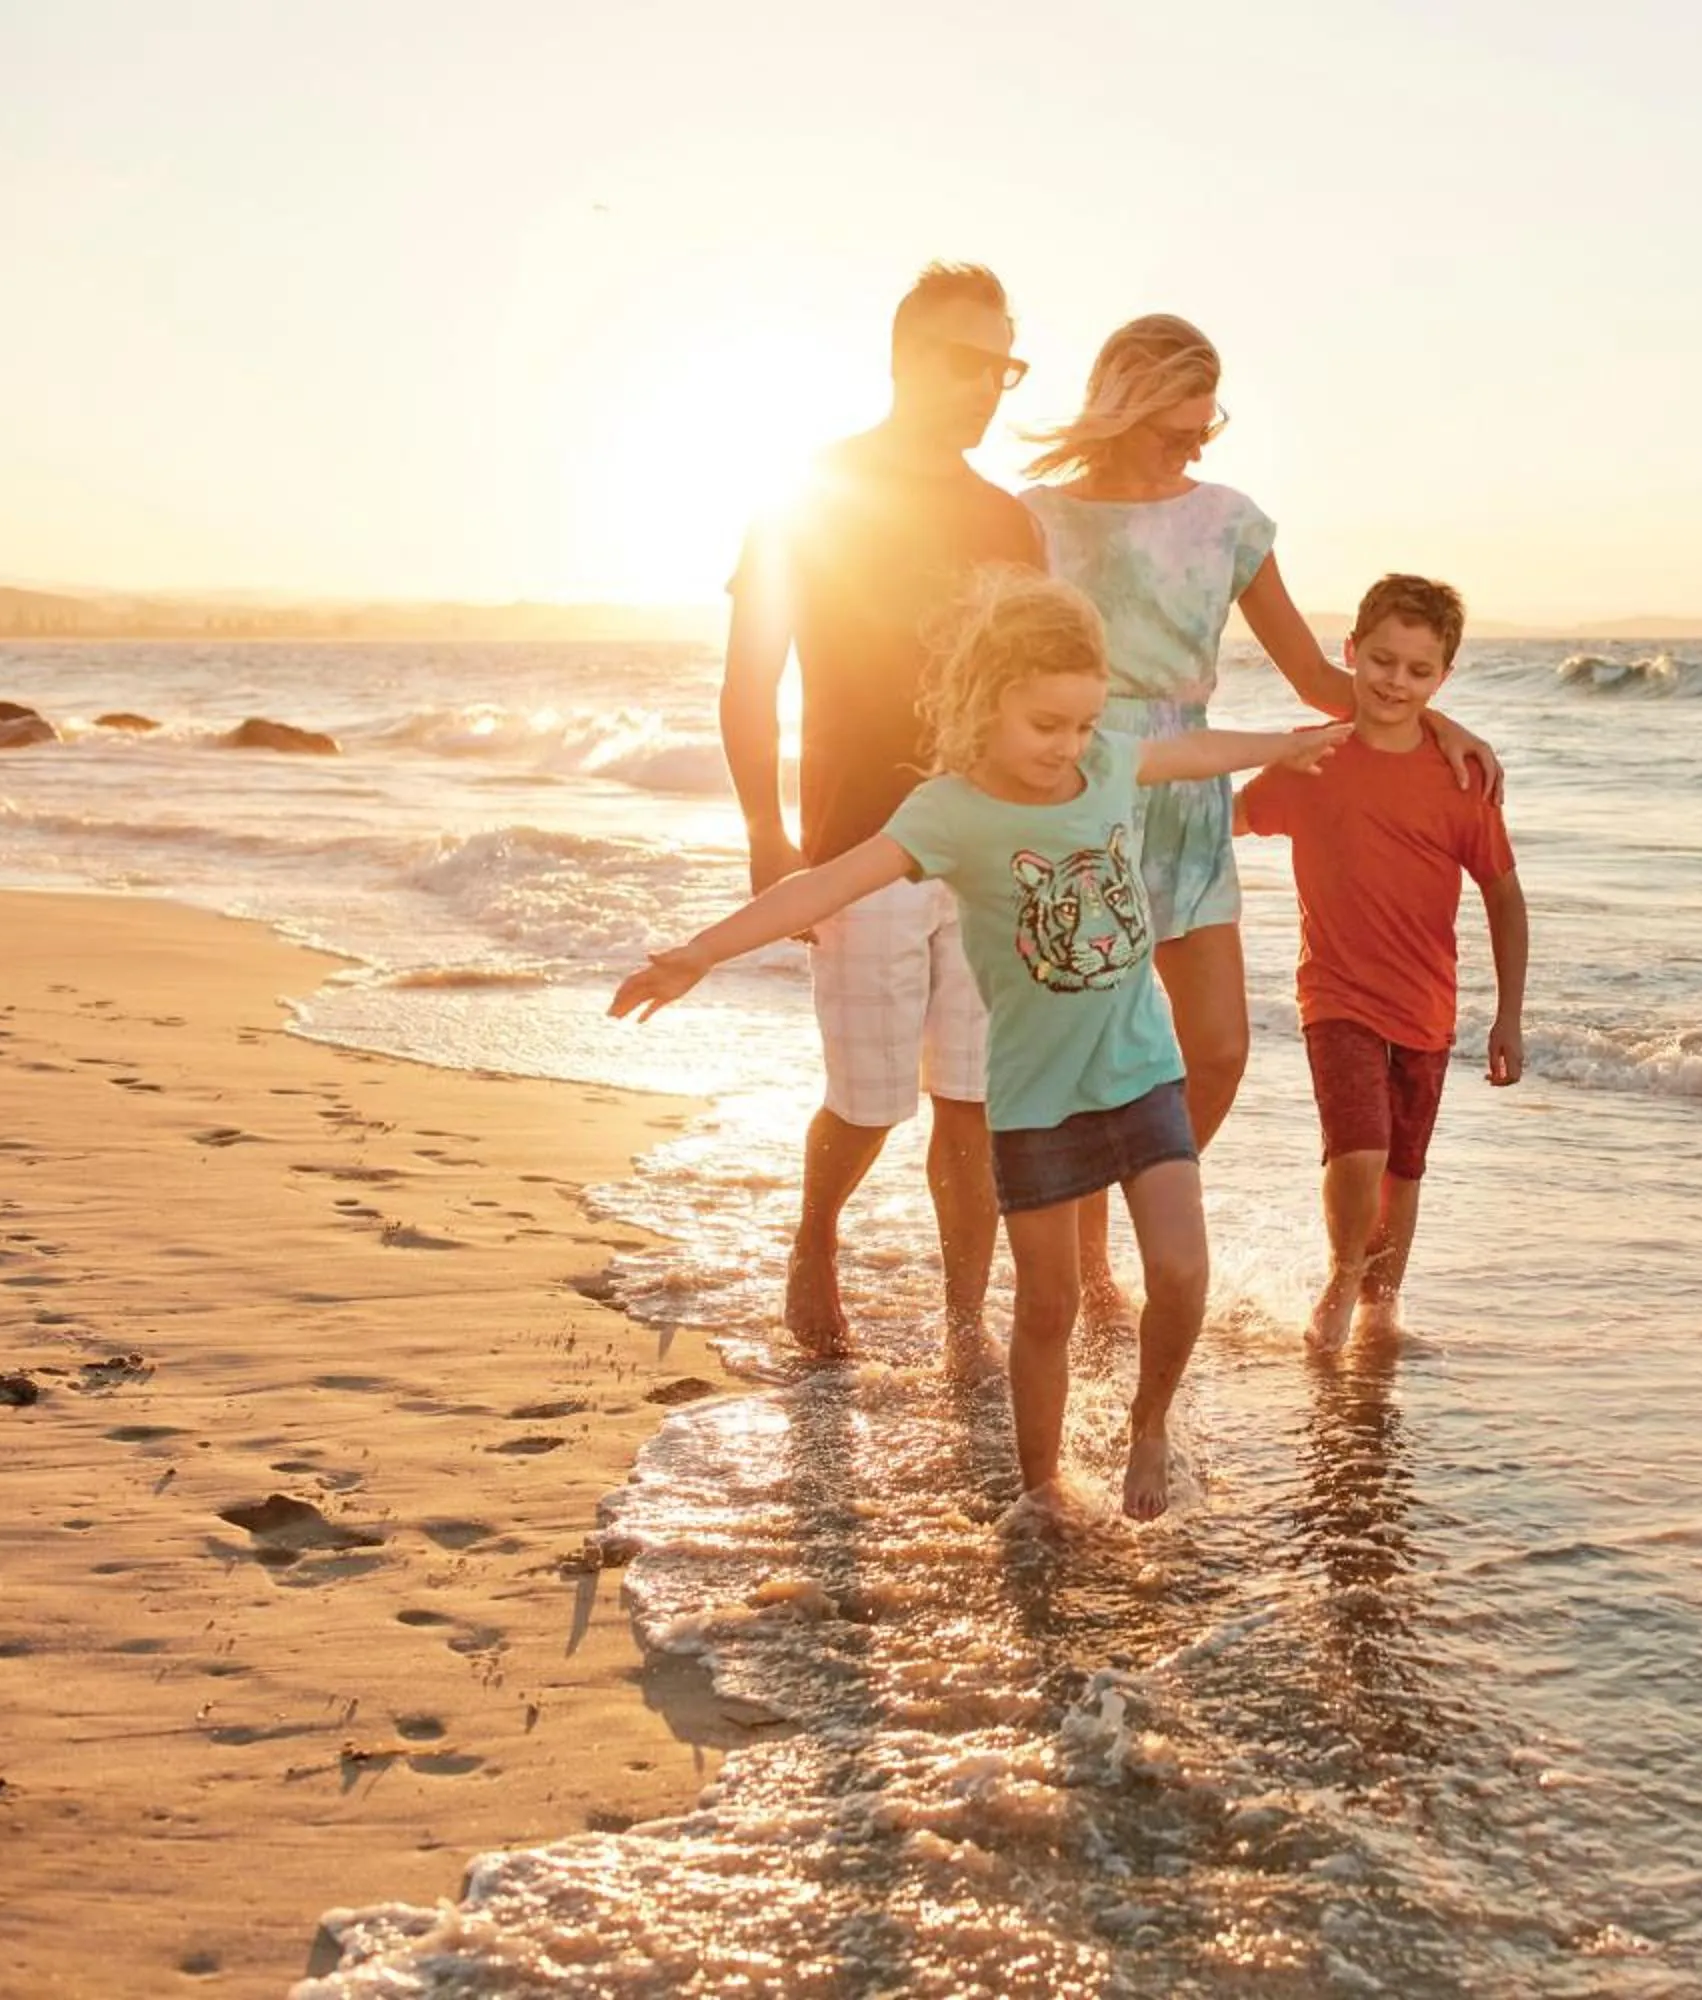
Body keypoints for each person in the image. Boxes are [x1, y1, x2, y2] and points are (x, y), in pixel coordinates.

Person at [617, 570, 1350, 1520]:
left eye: (1084, 723)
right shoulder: (949, 813)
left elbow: (1197, 749)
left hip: (1140, 1069)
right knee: (1048, 1308)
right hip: (1037, 1096)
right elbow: (826, 886)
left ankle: (1149, 1423)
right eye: (1048, 724)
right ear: (985, 701)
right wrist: (700, 953)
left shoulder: (1110, 765)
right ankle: (1042, 1488)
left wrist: (1293, 747)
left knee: (1179, 1270)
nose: (1070, 746)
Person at [1015, 315, 1500, 1318]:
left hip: (1189, 796)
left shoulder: (1228, 521)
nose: (1199, 442)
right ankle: (1095, 1265)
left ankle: (1128, 1187)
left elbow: (1321, 674)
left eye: (1208, 422)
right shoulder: (1040, 522)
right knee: (1088, 1045)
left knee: (1220, 1046)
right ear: (1131, 404)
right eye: (1180, 423)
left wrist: (1434, 715)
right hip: (1082, 786)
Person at [718, 262, 1043, 1358]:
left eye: (1006, 362)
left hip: (992, 849)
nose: (990, 383)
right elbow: (751, 675)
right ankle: (815, 1238)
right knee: (866, 1102)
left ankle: (964, 1320)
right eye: (968, 359)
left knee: (972, 1098)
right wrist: (767, 829)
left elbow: (1037, 691)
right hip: (861, 839)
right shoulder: (813, 492)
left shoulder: (1011, 522)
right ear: (905, 357)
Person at [1236, 575, 1528, 1352]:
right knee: (1358, 1148)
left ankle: (1380, 1306)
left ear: (1443, 680)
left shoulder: (1462, 780)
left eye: (1418, 670)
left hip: (1427, 1005)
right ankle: (1340, 1278)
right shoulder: (1313, 760)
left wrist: (1509, 1015)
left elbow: (1503, 894)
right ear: (1351, 653)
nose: (1396, 682)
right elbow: (1220, 823)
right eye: (1382, 661)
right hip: (1334, 994)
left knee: (1404, 1168)